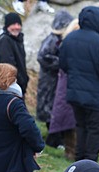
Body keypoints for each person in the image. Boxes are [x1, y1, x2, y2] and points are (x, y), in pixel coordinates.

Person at [58, 5, 99, 162]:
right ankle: (90, 161)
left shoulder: (69, 39)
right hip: (95, 96)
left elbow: (62, 65)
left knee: (80, 127)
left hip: (75, 93)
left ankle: (79, 160)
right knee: (95, 130)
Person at [37, 10, 74, 147]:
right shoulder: (53, 39)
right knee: (50, 108)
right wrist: (61, 63)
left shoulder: (60, 39)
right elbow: (42, 57)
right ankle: (54, 140)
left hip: (55, 80)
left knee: (55, 108)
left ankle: (58, 139)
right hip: (49, 80)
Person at [48, 18, 79, 161]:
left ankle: (72, 152)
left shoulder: (65, 44)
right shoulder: (68, 45)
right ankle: (71, 152)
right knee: (70, 120)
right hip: (69, 87)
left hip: (69, 87)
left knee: (71, 120)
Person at [0, 12, 28, 96]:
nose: (17, 27)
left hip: (19, 85)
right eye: (13, 24)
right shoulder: (5, 40)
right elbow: (8, 65)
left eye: (18, 24)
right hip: (10, 86)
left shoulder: (18, 39)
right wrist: (19, 81)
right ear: (7, 26)